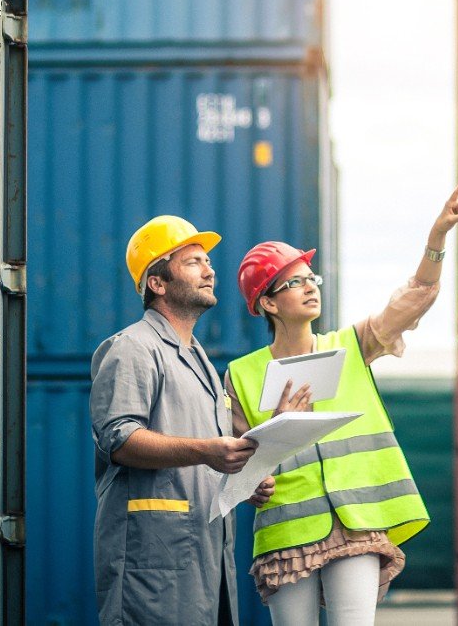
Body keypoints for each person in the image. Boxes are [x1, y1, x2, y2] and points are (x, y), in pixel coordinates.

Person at [225, 180, 458, 625]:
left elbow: (414, 299)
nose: (309, 287)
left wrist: (435, 240)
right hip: (287, 533)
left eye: (310, 278)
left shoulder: (352, 345)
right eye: (294, 282)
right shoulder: (240, 375)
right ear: (267, 302)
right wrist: (265, 460)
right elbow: (237, 468)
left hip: (356, 522)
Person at [90, 215, 277, 625]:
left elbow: (204, 460)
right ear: (157, 283)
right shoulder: (132, 348)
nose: (210, 269)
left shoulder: (202, 363)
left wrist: (242, 483)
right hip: (153, 561)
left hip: (204, 560)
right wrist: (208, 452)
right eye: (193, 261)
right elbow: (119, 440)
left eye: (208, 261)